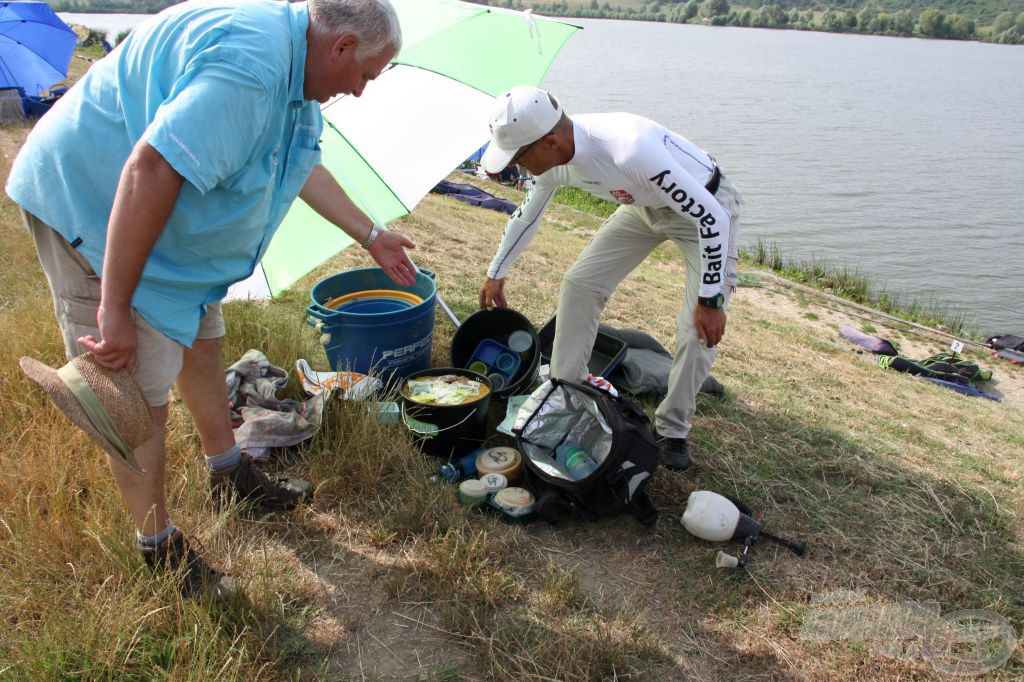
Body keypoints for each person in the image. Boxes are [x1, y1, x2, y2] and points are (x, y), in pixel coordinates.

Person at [6, 0, 416, 600]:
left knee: (202, 334)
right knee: (132, 391)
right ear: (343, 46)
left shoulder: (297, 82)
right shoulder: (250, 67)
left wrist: (373, 237)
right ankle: (160, 549)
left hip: (170, 237)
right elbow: (149, 169)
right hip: (94, 209)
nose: (359, 92)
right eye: (365, 76)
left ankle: (227, 473)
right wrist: (114, 307)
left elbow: (299, 166)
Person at [477, 87, 743, 472]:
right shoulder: (552, 161)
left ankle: (673, 429)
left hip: (705, 211)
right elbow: (527, 215)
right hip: (643, 207)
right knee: (580, 283)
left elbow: (711, 218)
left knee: (696, 329)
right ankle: (567, 388)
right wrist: (496, 272)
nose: (517, 167)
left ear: (550, 142)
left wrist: (711, 299)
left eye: (519, 157)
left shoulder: (627, 149)